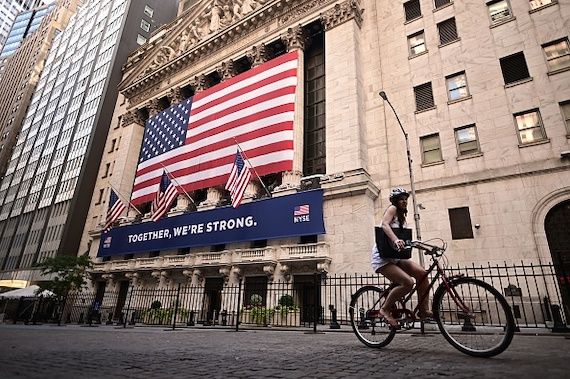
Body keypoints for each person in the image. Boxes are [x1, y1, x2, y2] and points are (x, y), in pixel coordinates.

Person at [371, 187, 432, 327]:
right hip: (383, 258)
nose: (404, 202)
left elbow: (407, 240)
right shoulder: (392, 209)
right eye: (401, 199)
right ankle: (384, 310)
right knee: (408, 283)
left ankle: (423, 311)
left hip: (396, 257)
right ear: (395, 201)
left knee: (422, 274)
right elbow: (385, 225)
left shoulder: (402, 218)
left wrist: (427, 247)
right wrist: (395, 240)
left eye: (405, 199)